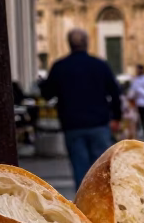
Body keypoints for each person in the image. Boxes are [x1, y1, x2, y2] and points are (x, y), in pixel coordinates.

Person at [41, 29, 122, 190]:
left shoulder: (60, 67)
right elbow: (115, 92)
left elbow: (47, 94)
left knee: (80, 169)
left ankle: (84, 208)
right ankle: (104, 204)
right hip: (98, 123)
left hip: (73, 125)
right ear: (87, 43)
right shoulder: (100, 65)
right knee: (102, 169)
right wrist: (116, 117)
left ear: (69, 44)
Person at [129, 63, 144, 137]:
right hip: (138, 102)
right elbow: (132, 90)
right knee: (138, 117)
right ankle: (140, 130)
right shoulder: (136, 79)